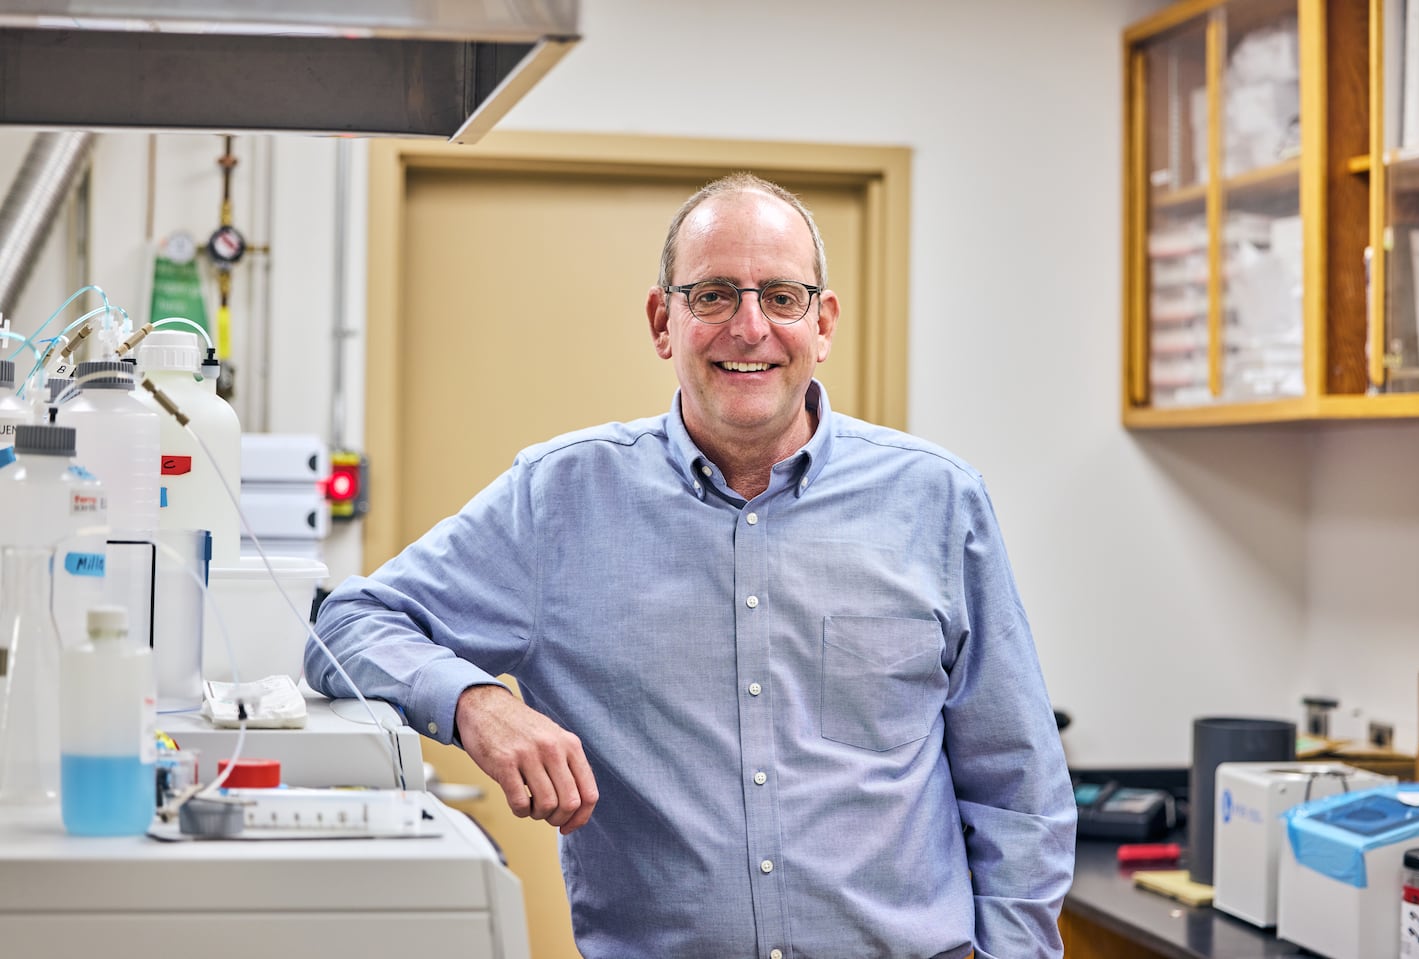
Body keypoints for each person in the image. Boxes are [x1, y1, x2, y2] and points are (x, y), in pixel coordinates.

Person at [306, 173, 1076, 959]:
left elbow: (1018, 784)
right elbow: (347, 625)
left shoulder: (937, 501)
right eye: (713, 295)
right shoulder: (557, 500)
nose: (750, 328)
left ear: (824, 322)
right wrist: (475, 703)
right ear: (661, 320)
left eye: (781, 296)